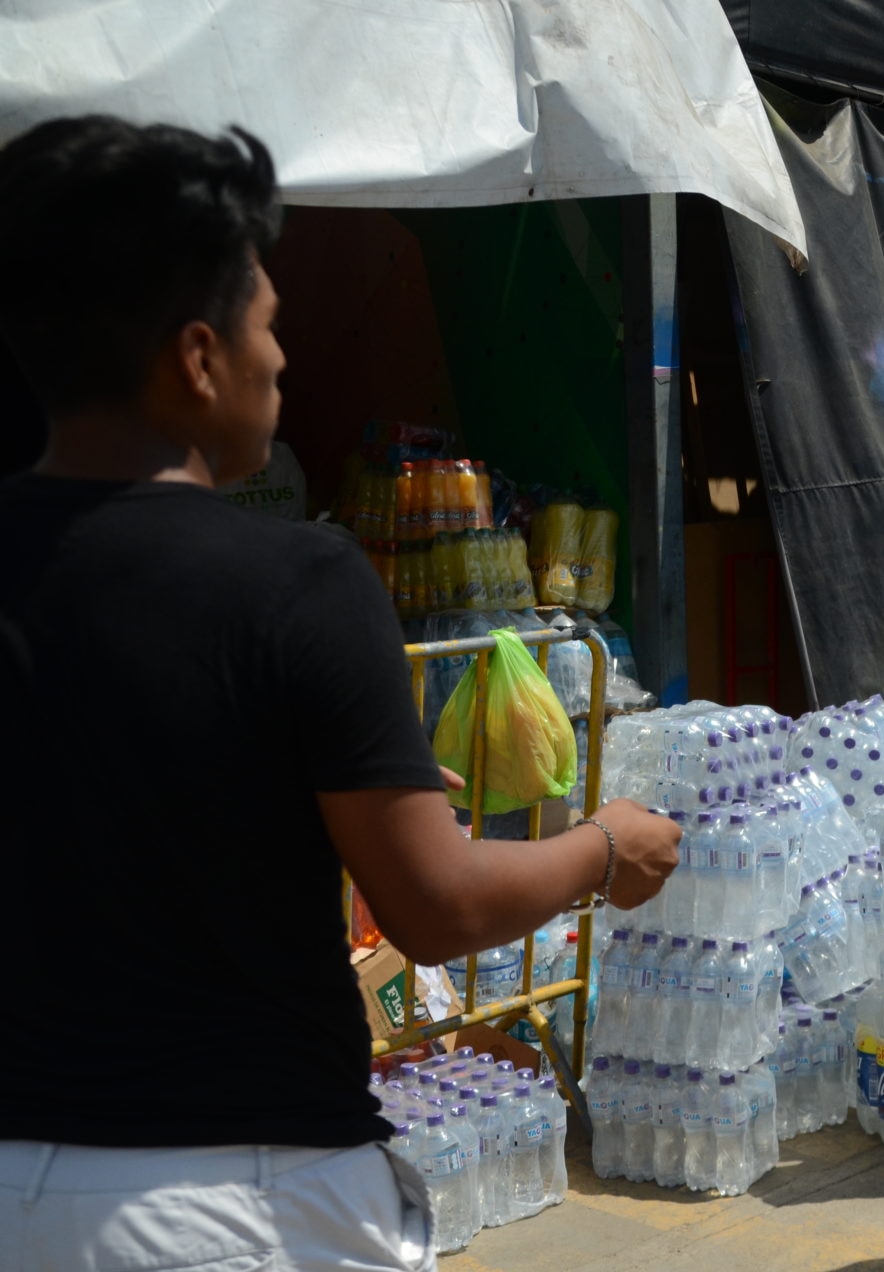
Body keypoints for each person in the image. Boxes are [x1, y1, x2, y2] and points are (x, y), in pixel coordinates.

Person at [0, 117, 681, 1269]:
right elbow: (436, 907)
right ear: (199, 357)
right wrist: (606, 849)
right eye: (269, 327)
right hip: (235, 1203)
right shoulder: (301, 582)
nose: (284, 362)